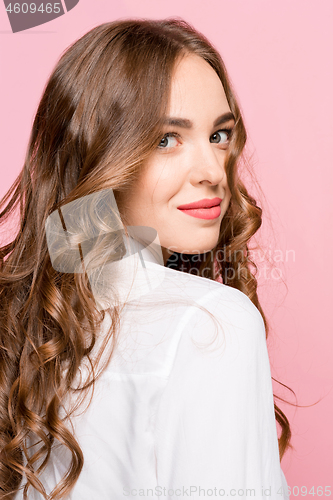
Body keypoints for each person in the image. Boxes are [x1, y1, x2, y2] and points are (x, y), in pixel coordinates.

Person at [0, 18, 293, 499]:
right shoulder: (212, 322)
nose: (212, 172)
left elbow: (81, 240)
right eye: (165, 139)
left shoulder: (36, 319)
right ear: (99, 154)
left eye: (219, 135)